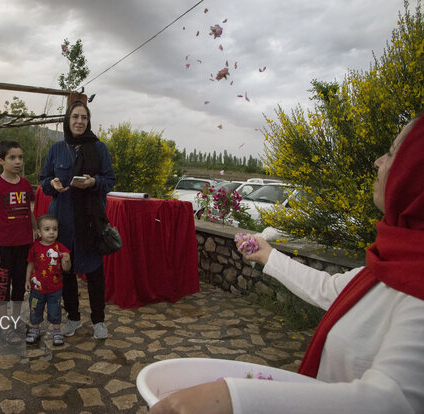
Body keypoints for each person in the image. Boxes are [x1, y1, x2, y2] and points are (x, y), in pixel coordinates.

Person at [150, 113, 424, 414]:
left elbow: (394, 401)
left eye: (393, 152)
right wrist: (267, 254)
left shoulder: (416, 280)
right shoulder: (393, 261)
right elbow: (329, 288)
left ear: (416, 174)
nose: (378, 161)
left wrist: (234, 399)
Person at [39, 101, 116, 340]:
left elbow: (110, 180)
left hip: (90, 221)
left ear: (88, 121)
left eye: (84, 117)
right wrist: (51, 184)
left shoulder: (99, 148)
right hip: (63, 222)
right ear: (68, 120)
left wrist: (94, 182)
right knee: (67, 271)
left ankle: (99, 321)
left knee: (94, 272)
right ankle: (72, 317)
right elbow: (43, 180)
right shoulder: (56, 149)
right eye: (75, 117)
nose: (79, 121)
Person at [0, 140, 37, 345]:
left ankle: (16, 320)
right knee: (1, 286)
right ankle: (3, 325)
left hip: (24, 245)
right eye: (12, 158)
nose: (17, 162)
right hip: (2, 247)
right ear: (1, 160)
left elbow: (28, 211)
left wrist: (36, 229)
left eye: (20, 157)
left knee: (18, 287)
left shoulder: (24, 184)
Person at [24, 214, 71, 346]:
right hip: (36, 288)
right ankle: (34, 329)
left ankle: (57, 331)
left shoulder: (60, 248)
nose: (51, 232)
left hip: (55, 289)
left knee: (55, 310)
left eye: (54, 229)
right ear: (39, 232)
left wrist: (66, 261)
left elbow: (66, 269)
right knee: (35, 308)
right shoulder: (35, 247)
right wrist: (27, 280)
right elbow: (30, 264)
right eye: (47, 229)